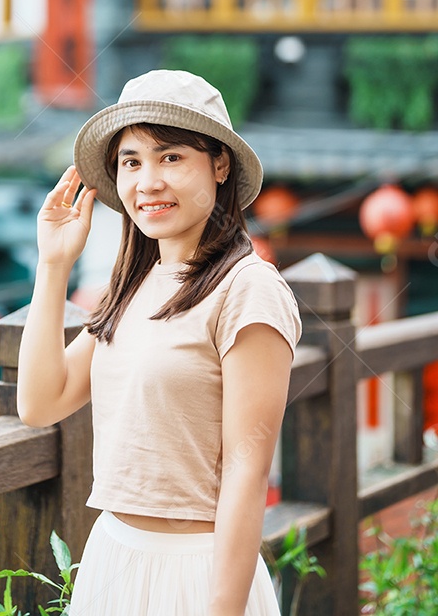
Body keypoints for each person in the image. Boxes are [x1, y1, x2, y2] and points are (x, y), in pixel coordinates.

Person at [17, 69, 302, 615]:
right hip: (113, 557)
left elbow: (247, 471)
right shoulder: (134, 284)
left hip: (196, 570)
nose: (147, 181)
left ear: (220, 164)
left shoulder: (248, 289)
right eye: (131, 161)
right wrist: (53, 265)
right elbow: (39, 403)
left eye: (171, 157)